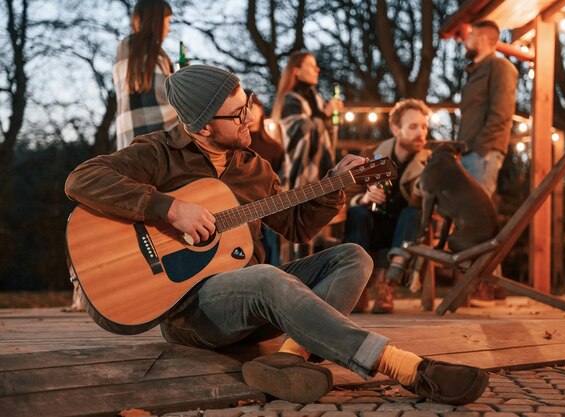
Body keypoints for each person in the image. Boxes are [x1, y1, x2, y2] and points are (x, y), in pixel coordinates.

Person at [65, 64, 488, 406]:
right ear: (203, 127)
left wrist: (335, 186)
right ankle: (405, 368)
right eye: (237, 114)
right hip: (190, 313)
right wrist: (168, 208)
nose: (250, 115)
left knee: (353, 257)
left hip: (252, 306)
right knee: (267, 276)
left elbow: (298, 226)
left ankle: (287, 361)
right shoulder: (157, 153)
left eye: (246, 103)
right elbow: (82, 179)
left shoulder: (254, 168)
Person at [344, 99, 430, 314]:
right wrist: (364, 198)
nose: (421, 132)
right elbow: (346, 195)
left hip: (403, 233)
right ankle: (358, 289)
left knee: (412, 213)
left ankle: (388, 286)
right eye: (413, 126)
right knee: (356, 212)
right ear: (395, 129)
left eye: (424, 126)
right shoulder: (373, 155)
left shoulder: (430, 162)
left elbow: (431, 205)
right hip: (372, 227)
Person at [457, 20, 519, 304]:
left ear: (482, 38)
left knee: (479, 216)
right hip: (468, 153)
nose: (464, 42)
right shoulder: (474, 72)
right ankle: (489, 285)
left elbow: (501, 113)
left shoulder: (501, 68)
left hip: (483, 153)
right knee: (476, 216)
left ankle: (485, 285)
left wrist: (481, 149)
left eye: (468, 37)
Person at [271, 51, 343, 190]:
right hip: (298, 176)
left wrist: (330, 119)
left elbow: (326, 136)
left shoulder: (317, 99)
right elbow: (301, 132)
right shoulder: (290, 100)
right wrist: (325, 114)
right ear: (296, 71)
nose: (317, 69)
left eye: (316, 65)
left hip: (321, 171)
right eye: (311, 65)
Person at [113, 0, 178, 150]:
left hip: (128, 142)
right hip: (156, 143)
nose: (168, 30)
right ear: (156, 21)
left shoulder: (124, 50)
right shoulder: (153, 54)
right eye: (167, 22)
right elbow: (165, 98)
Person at [247, 91, 285, 266]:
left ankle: (274, 271)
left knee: (270, 228)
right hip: (242, 206)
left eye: (252, 106)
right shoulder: (236, 146)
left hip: (267, 205)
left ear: (261, 110)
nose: (248, 112)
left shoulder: (274, 147)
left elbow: (280, 178)